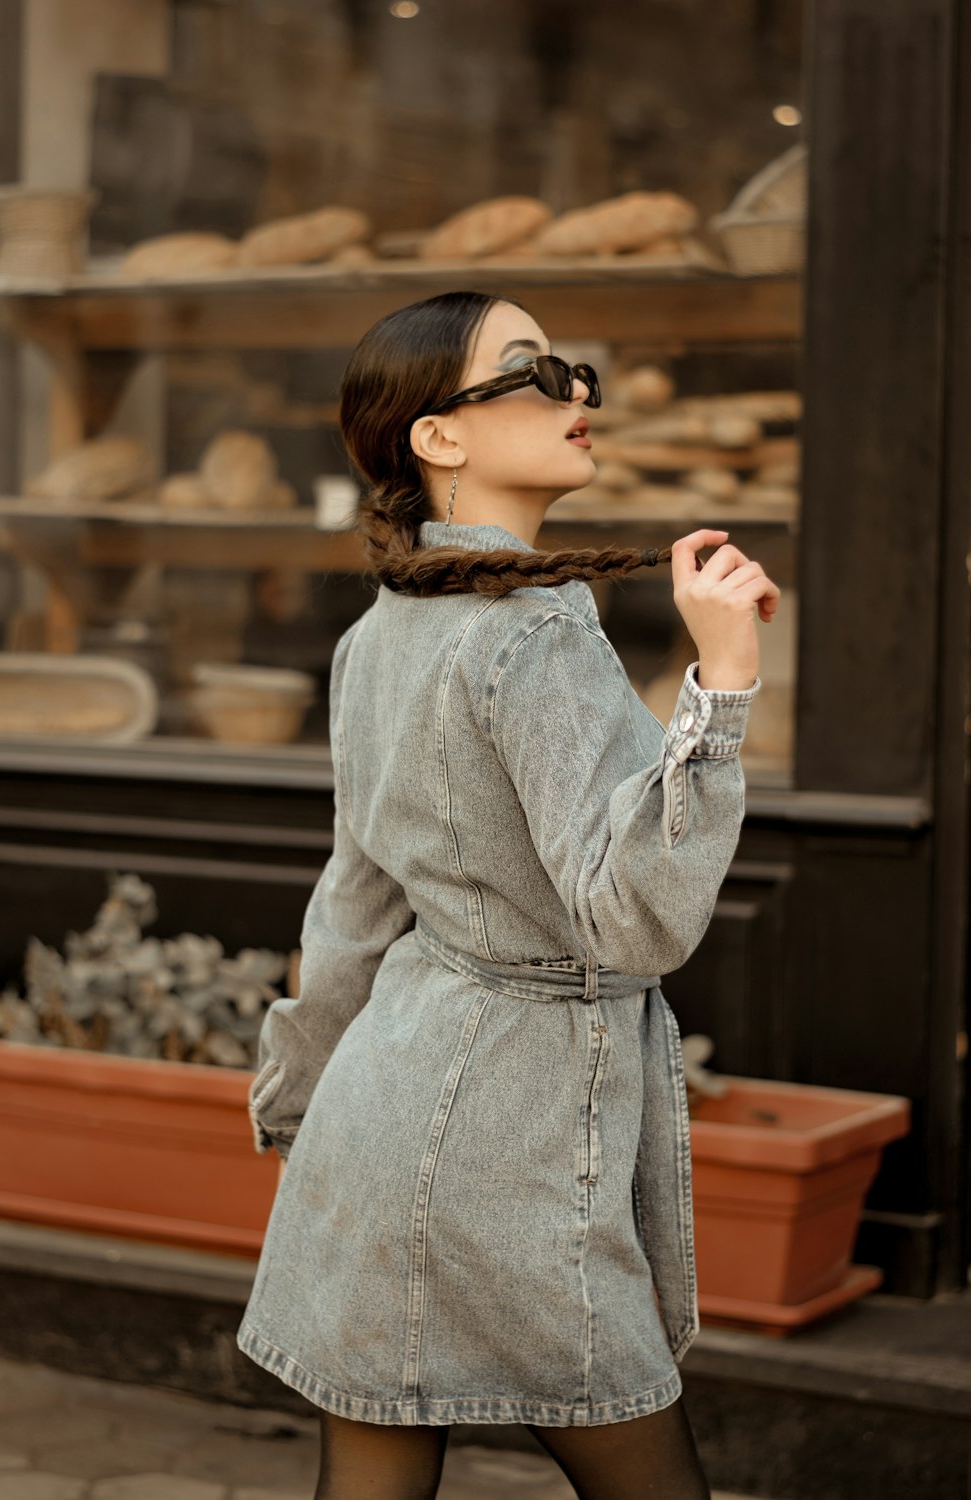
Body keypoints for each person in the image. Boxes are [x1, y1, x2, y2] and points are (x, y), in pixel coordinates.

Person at [237, 290, 779, 1500]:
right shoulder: (530, 628)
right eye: (532, 375)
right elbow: (634, 916)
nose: (579, 394)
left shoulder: (383, 629)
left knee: (371, 1481)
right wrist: (724, 683)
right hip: (514, 1138)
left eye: (574, 370)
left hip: (388, 1106)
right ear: (439, 437)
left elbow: (353, 904)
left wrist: (301, 1098)